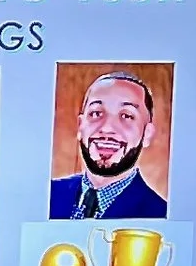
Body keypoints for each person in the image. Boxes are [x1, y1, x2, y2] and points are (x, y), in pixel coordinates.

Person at [51, 71, 168, 220]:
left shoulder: (160, 215)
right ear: (80, 126)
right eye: (96, 113)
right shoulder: (46, 195)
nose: (107, 128)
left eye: (126, 115)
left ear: (147, 134)